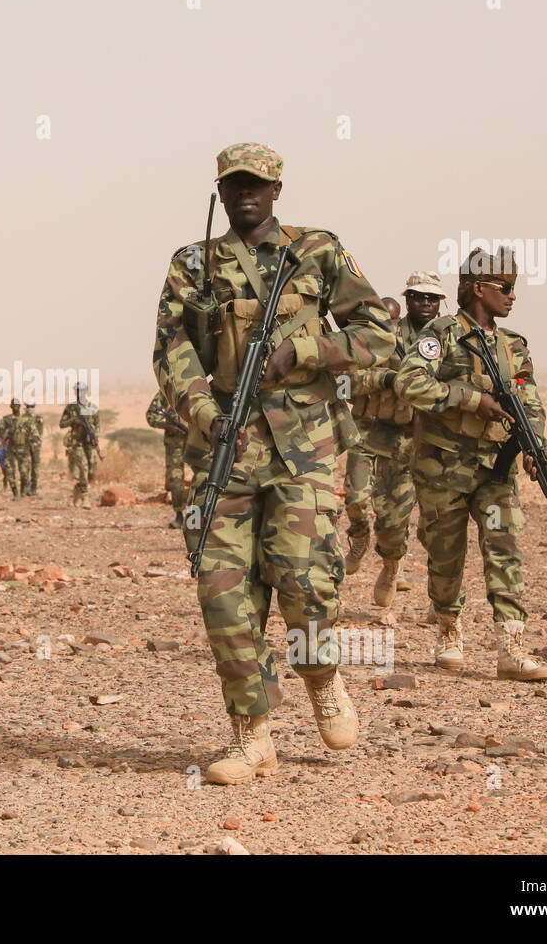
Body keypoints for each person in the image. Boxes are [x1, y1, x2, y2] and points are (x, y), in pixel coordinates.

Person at [153, 141, 394, 784]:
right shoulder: (193, 264)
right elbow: (172, 352)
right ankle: (251, 736)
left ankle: (321, 677)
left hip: (303, 445)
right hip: (224, 447)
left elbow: (378, 333)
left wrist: (308, 352)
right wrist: (206, 415)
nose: (245, 194)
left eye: (257, 183)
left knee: (305, 582)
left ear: (277, 188)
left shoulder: (316, 251)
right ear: (220, 189)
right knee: (223, 594)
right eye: (234, 184)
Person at [394, 248, 547, 681]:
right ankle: (449, 630)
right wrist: (469, 399)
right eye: (505, 288)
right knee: (446, 557)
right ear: (479, 289)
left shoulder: (513, 345)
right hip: (442, 469)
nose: (513, 297)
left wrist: (533, 446)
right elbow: (409, 383)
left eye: (515, 288)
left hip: (494, 470)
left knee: (505, 551)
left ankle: (512, 648)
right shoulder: (439, 335)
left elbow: (529, 401)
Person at [345, 274, 444, 608]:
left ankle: (398, 570)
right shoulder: (384, 335)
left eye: (432, 298)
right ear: (408, 300)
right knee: (360, 501)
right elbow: (348, 381)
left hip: (415, 440)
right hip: (372, 431)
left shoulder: (448, 340)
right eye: (418, 297)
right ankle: (365, 542)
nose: (426, 304)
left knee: (406, 521)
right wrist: (385, 379)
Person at [340, 299, 400, 575]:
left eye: (393, 322)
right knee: (355, 498)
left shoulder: (411, 348)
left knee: (391, 518)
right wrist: (381, 379)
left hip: (399, 439)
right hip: (364, 432)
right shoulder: (360, 346)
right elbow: (344, 385)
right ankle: (359, 536)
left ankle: (391, 565)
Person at [146, 389, 189, 527]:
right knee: (176, 478)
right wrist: (167, 426)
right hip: (174, 442)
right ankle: (179, 515)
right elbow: (151, 416)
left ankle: (199, 517)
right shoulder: (166, 392)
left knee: (202, 477)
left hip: (197, 439)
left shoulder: (199, 386)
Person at [59, 383, 101, 507]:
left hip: (89, 442)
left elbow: (98, 425)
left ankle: (78, 488)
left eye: (81, 390)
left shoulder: (92, 407)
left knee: (92, 472)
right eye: (77, 391)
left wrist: (95, 436)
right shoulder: (71, 408)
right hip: (76, 443)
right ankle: (85, 497)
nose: (79, 393)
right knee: (83, 469)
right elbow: (62, 424)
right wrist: (73, 420)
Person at [1, 398, 31, 501]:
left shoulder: (26, 419)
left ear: (20, 406)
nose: (15, 406)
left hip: (23, 449)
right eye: (13, 405)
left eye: (17, 405)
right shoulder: (6, 419)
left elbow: (33, 433)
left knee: (24, 472)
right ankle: (15, 494)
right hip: (11, 449)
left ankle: (23, 491)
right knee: (10, 471)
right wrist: (7, 433)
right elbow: (1, 433)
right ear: (11, 406)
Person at [22, 400, 44, 496]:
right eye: (28, 406)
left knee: (35, 467)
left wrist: (36, 442)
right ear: (26, 407)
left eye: (32, 406)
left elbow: (40, 432)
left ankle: (33, 488)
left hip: (36, 446)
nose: (30, 408)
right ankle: (25, 487)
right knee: (25, 466)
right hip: (25, 445)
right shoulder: (21, 418)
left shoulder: (39, 418)